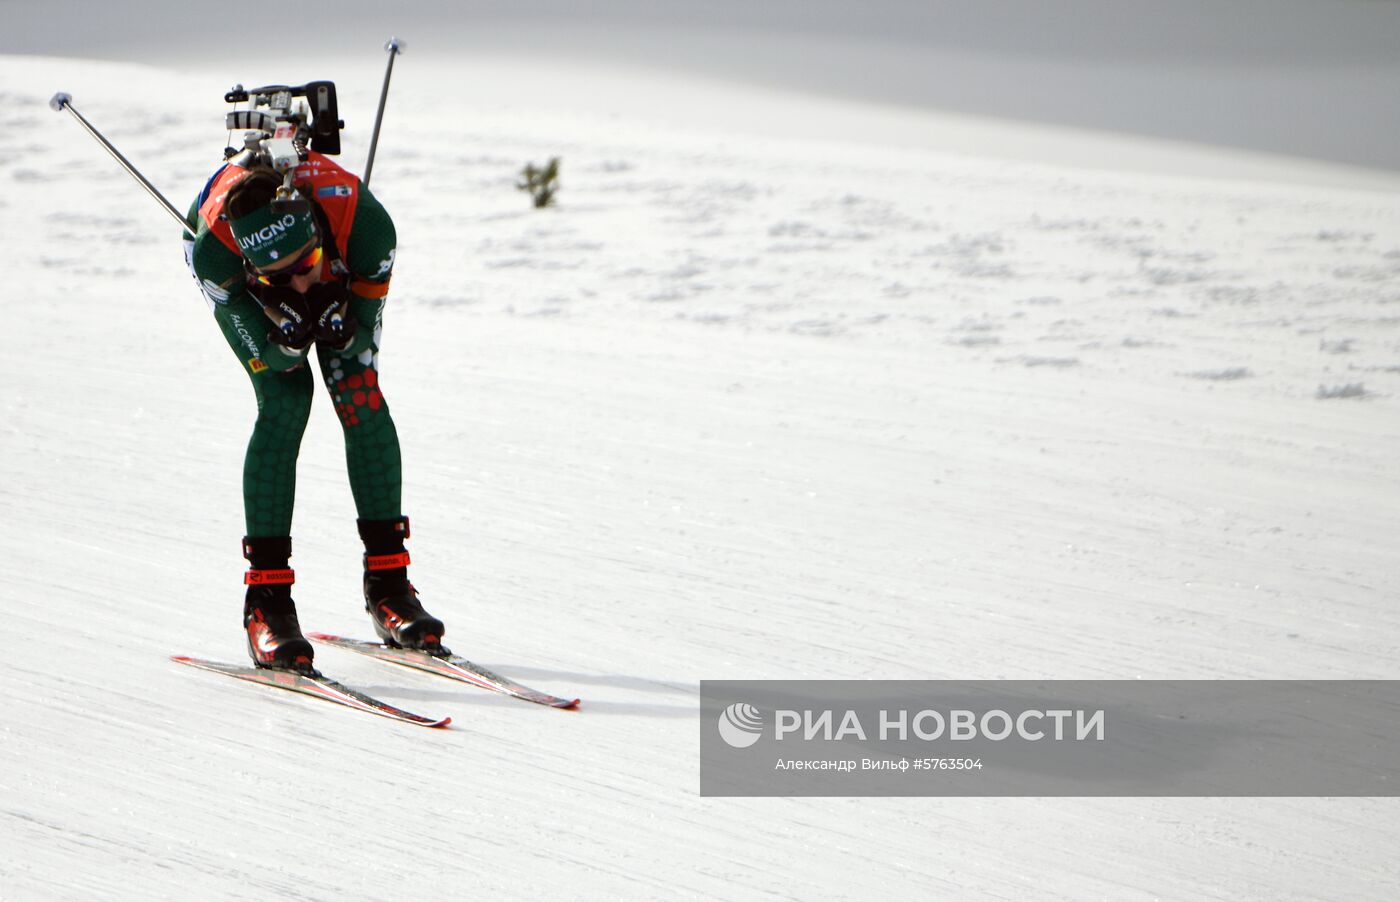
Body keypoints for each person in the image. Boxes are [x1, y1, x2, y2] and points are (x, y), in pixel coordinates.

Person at [183, 148, 445, 672]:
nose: (299, 284)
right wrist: (277, 345)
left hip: (342, 264)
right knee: (285, 400)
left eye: (305, 265)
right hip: (240, 285)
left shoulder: (366, 228)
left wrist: (343, 326)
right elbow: (264, 348)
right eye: (282, 277)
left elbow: (358, 342)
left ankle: (389, 586)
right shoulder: (217, 251)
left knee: (358, 393)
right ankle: (267, 604)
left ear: (320, 238)